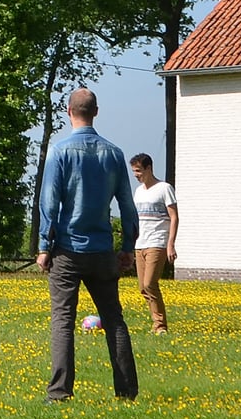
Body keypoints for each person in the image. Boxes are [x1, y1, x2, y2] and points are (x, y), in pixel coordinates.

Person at [35, 89, 138, 402]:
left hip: (67, 250)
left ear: (69, 111)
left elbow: (49, 202)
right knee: (114, 319)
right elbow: (127, 204)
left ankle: (60, 392)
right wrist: (128, 246)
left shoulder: (60, 151)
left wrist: (44, 245)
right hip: (102, 249)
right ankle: (126, 391)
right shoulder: (114, 153)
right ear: (96, 111)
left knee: (63, 320)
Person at [129, 153, 179, 334]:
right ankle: (155, 324)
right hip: (140, 243)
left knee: (150, 283)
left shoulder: (164, 188)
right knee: (143, 287)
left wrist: (170, 244)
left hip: (157, 242)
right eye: (134, 171)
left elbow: (174, 217)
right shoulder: (139, 191)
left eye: (139, 171)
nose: (136, 175)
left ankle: (161, 326)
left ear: (149, 168)